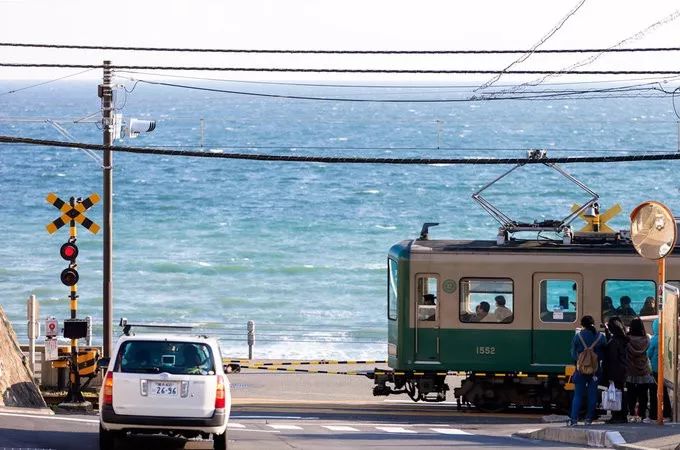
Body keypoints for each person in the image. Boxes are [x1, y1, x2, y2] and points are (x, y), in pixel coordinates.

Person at [568, 315, 605, 426]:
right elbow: (603, 353)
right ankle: (588, 419)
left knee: (578, 395)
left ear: (582, 324)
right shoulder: (600, 336)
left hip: (581, 370)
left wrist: (581, 360)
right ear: (593, 323)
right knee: (592, 395)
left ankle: (574, 420)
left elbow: (573, 354)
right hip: (595, 370)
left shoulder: (578, 336)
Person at [625, 318, 655, 423]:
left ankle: (632, 413)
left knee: (631, 393)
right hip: (644, 370)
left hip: (631, 370)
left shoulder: (627, 339)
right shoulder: (647, 338)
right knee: (643, 394)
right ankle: (642, 414)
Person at [601, 316, 629, 423]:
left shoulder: (614, 341)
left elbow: (611, 357)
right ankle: (622, 415)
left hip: (615, 370)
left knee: (615, 393)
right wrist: (607, 332)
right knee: (620, 391)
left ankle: (617, 415)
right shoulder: (623, 338)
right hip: (623, 370)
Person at [648, 318, 673, 421]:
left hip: (655, 369)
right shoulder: (667, 338)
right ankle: (667, 413)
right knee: (665, 392)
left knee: (654, 392)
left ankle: (654, 414)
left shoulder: (654, 340)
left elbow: (648, 354)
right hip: (666, 369)